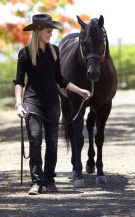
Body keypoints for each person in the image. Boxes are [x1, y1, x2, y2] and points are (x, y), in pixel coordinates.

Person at [13, 14, 91, 195]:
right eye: (48, 30)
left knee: (52, 142)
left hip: (52, 104)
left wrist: (79, 90)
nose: (51, 34)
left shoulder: (55, 51)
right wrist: (18, 104)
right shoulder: (24, 53)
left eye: (51, 31)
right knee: (35, 140)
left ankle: (49, 179)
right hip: (32, 102)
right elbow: (19, 82)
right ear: (38, 31)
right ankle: (36, 182)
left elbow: (60, 80)